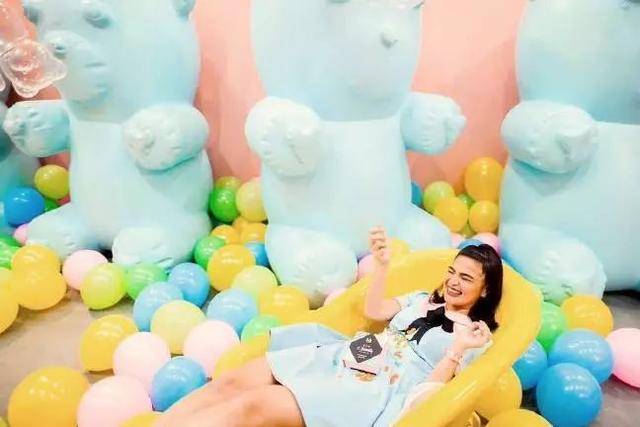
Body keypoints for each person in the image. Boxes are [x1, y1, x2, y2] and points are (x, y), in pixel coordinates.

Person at [157, 227, 503, 427]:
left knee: (257, 405)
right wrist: (382, 267)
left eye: (466, 278)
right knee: (235, 381)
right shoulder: (422, 299)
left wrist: (458, 349)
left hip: (381, 387)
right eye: (452, 272)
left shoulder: (474, 337)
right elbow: (375, 309)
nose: (453, 282)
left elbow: (431, 396)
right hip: (362, 350)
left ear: (485, 289)